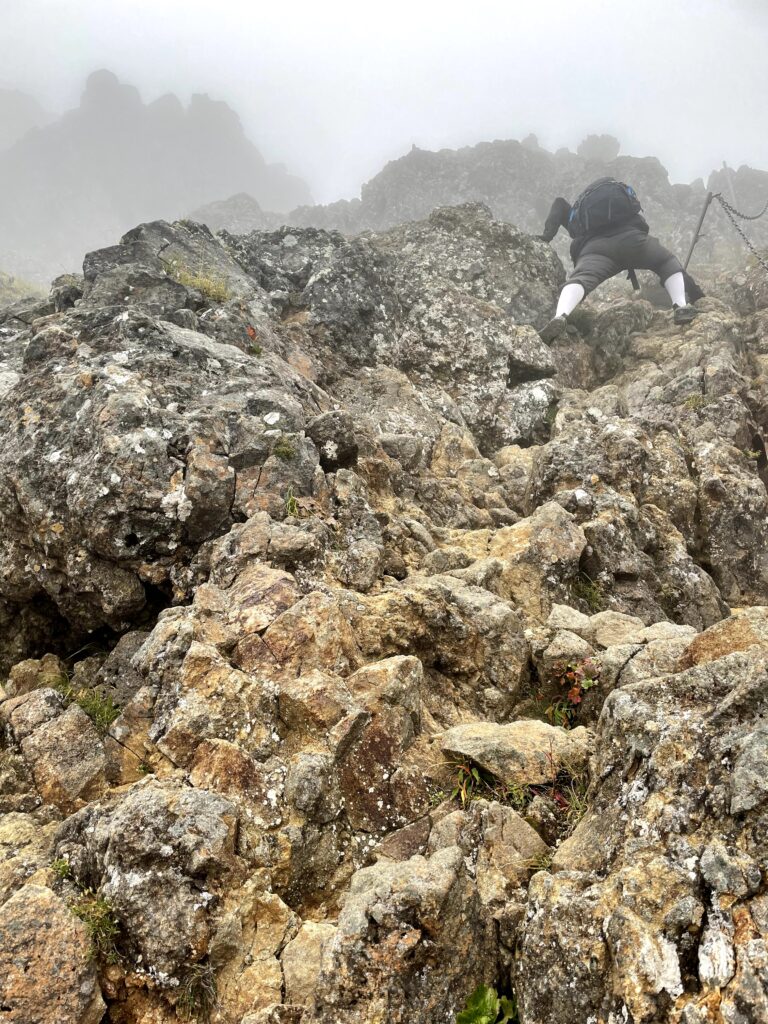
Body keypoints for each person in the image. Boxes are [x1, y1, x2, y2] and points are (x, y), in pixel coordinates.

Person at [537, 177, 699, 343]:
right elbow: (669, 263)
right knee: (666, 262)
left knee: (581, 279)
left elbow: (558, 203)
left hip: (595, 250)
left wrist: (546, 236)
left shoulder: (577, 215)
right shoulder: (620, 205)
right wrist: (696, 294)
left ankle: (560, 316)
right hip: (633, 241)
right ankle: (680, 306)